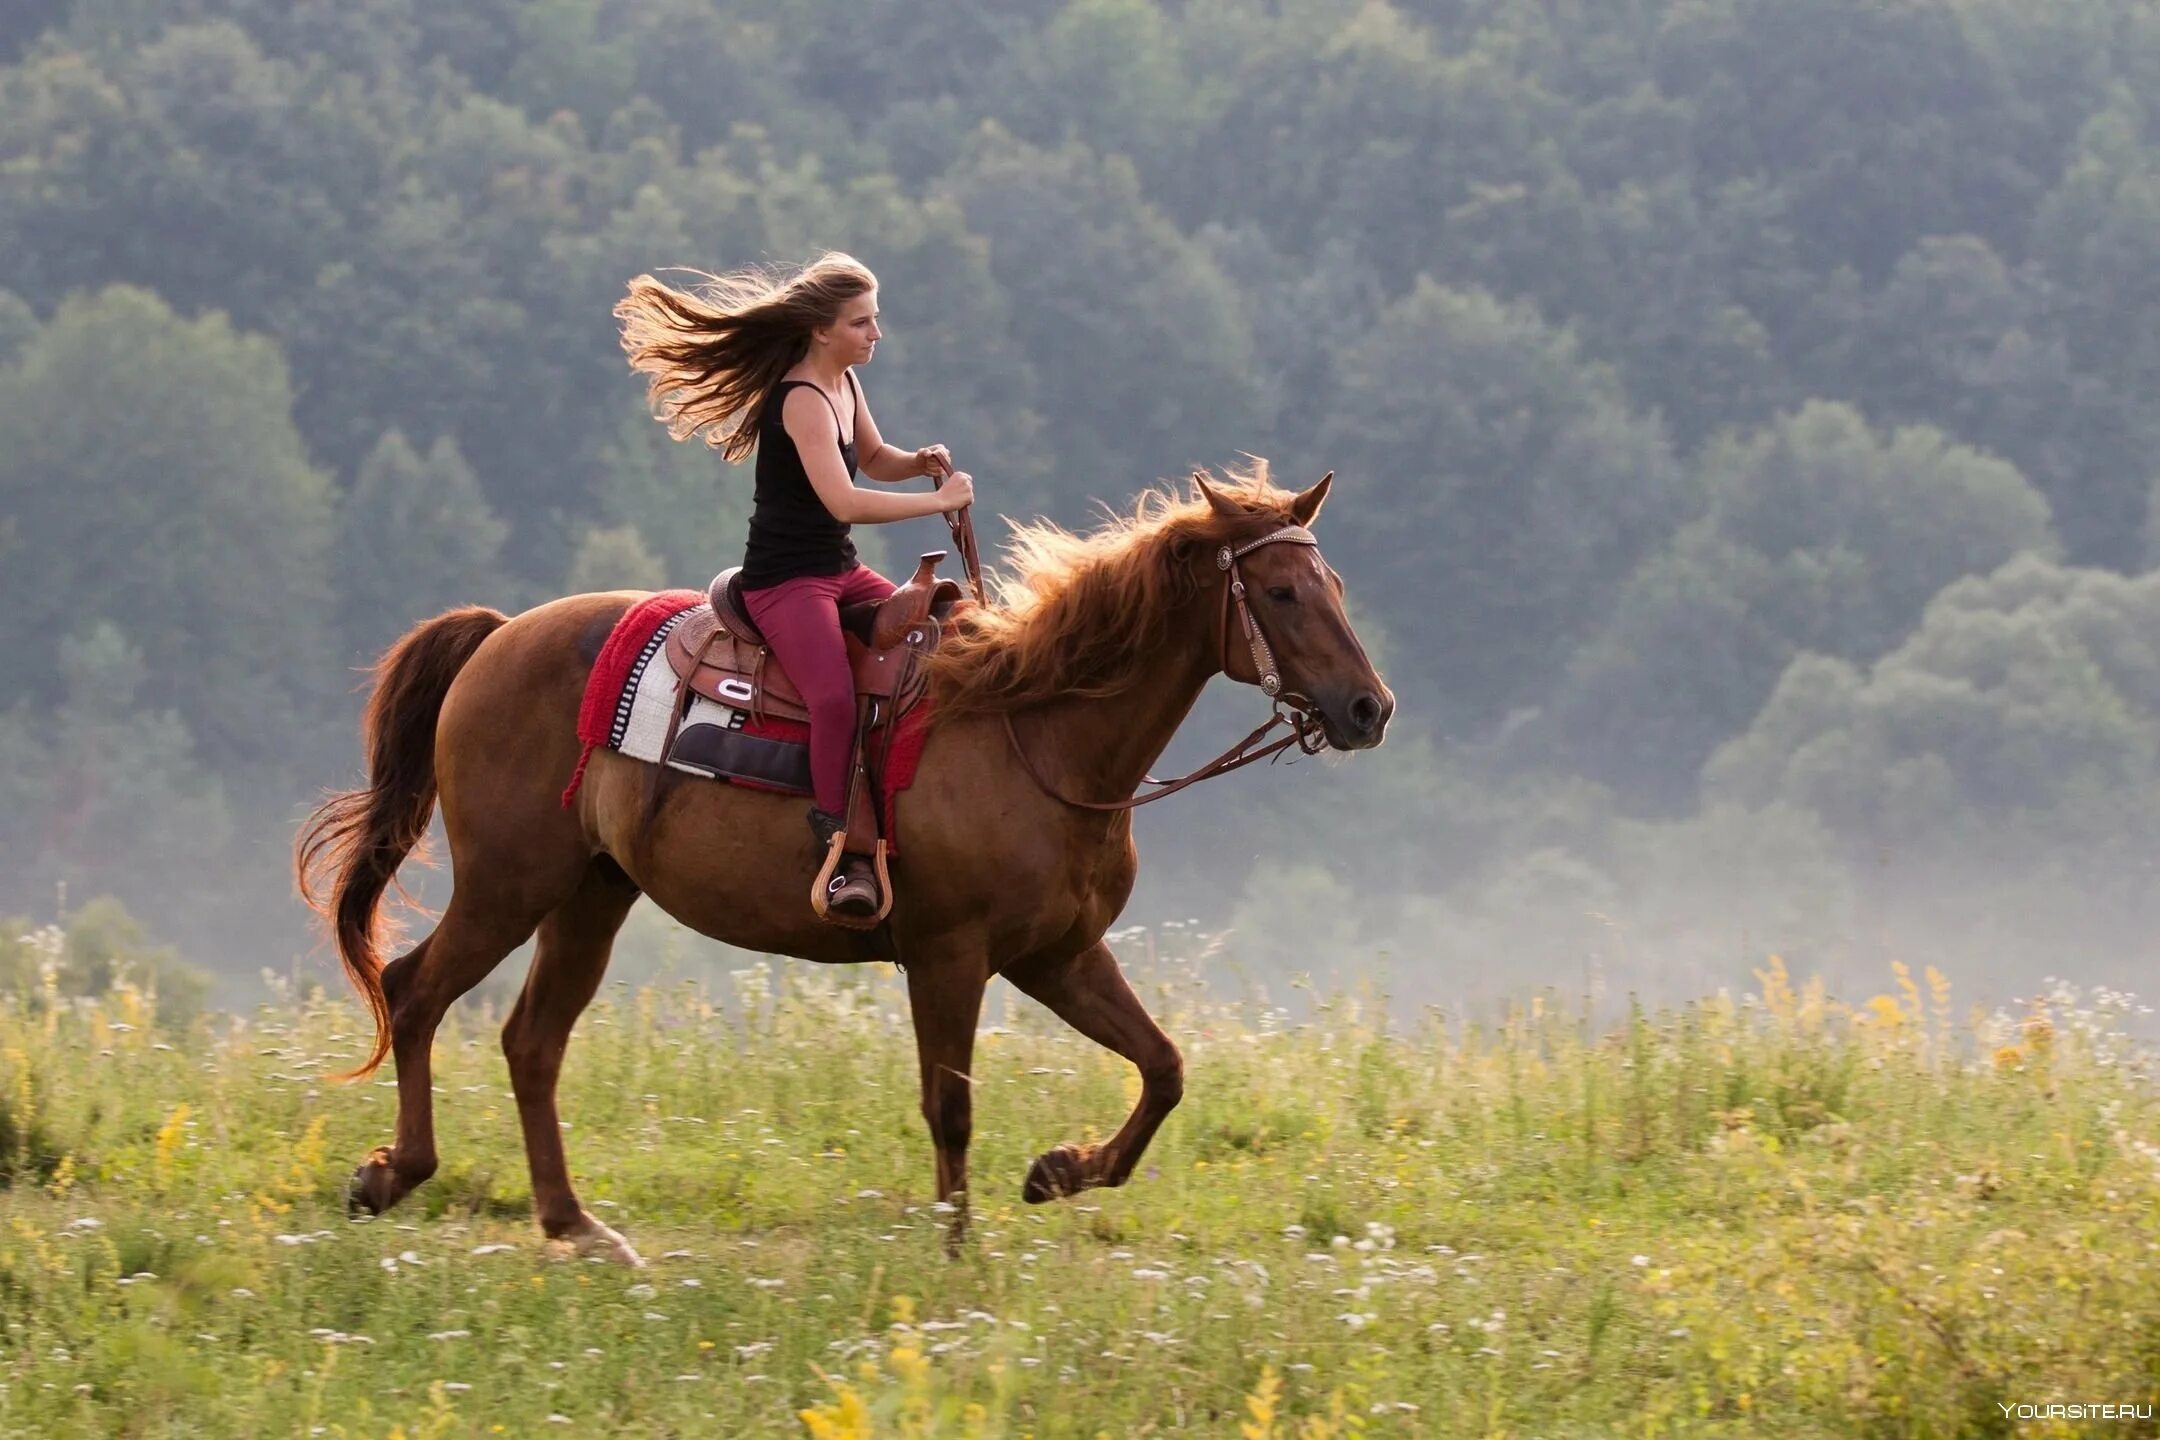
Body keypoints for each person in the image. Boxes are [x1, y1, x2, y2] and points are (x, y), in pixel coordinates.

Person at [614, 252, 974, 918]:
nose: (875, 334)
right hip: (786, 582)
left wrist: (918, 463)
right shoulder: (802, 398)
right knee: (835, 699)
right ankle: (839, 840)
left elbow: (872, 459)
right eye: (861, 323)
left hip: (837, 571)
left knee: (940, 636)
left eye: (875, 320)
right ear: (821, 330)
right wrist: (937, 502)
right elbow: (844, 500)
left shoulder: (845, 384)